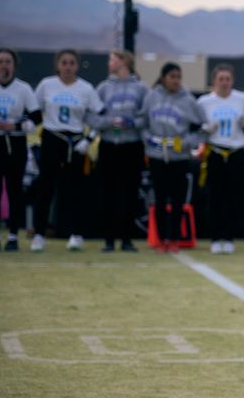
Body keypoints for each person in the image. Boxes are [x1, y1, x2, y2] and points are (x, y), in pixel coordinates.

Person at [33, 49, 104, 252]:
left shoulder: (86, 88)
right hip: (52, 138)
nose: (67, 66)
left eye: (72, 63)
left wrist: (88, 139)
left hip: (75, 142)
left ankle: (76, 234)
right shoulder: (46, 85)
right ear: (57, 65)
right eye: (64, 62)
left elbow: (100, 116)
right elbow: (35, 112)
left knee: (76, 190)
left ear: (77, 66)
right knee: (45, 188)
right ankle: (39, 234)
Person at [140, 62, 205, 253]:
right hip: (157, 157)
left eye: (178, 77)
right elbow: (142, 123)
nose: (176, 81)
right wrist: (149, 139)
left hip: (179, 158)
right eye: (172, 77)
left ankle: (175, 239)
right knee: (159, 199)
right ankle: (161, 240)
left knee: (177, 200)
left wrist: (185, 142)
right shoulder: (152, 97)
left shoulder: (188, 100)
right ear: (163, 78)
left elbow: (203, 128)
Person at [94, 49, 148, 252]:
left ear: (124, 61)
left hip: (132, 148)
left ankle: (127, 239)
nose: (109, 63)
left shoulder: (141, 89)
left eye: (112, 59)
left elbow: (146, 118)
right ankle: (108, 240)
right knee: (108, 194)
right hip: (109, 147)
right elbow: (93, 117)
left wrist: (131, 123)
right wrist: (111, 123)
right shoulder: (103, 88)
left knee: (130, 194)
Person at [197, 64, 244, 254]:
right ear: (214, 81)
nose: (224, 83)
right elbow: (197, 127)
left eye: (227, 79)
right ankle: (215, 237)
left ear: (232, 80)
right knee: (215, 197)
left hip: (236, 152)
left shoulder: (242, 99)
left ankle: (229, 237)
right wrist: (205, 128)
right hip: (216, 152)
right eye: (221, 79)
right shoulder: (204, 102)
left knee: (233, 197)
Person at [0, 48, 41, 252]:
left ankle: (13, 235)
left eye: (8, 62)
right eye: (1, 61)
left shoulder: (23, 89)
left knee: (14, 191)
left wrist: (16, 126)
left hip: (16, 144)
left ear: (14, 65)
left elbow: (36, 118)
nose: (4, 65)